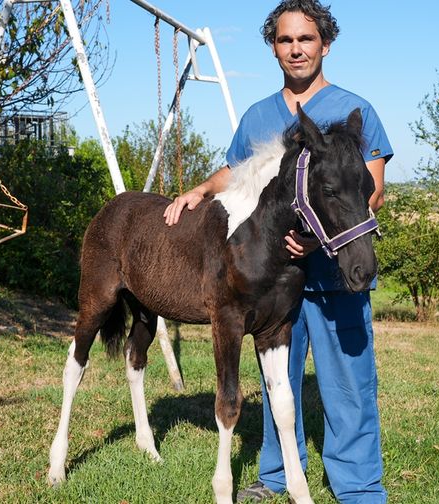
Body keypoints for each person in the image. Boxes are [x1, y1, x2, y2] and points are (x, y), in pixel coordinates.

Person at [163, 1, 392, 502]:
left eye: (306, 39)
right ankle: (278, 478)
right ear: (274, 48)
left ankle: (357, 488)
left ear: (324, 44)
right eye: (286, 40)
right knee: (277, 381)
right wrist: (198, 191)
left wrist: (316, 234)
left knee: (348, 383)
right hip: (273, 278)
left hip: (334, 275)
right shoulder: (258, 115)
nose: (296, 49)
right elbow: (237, 173)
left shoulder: (354, 110)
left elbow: (369, 190)